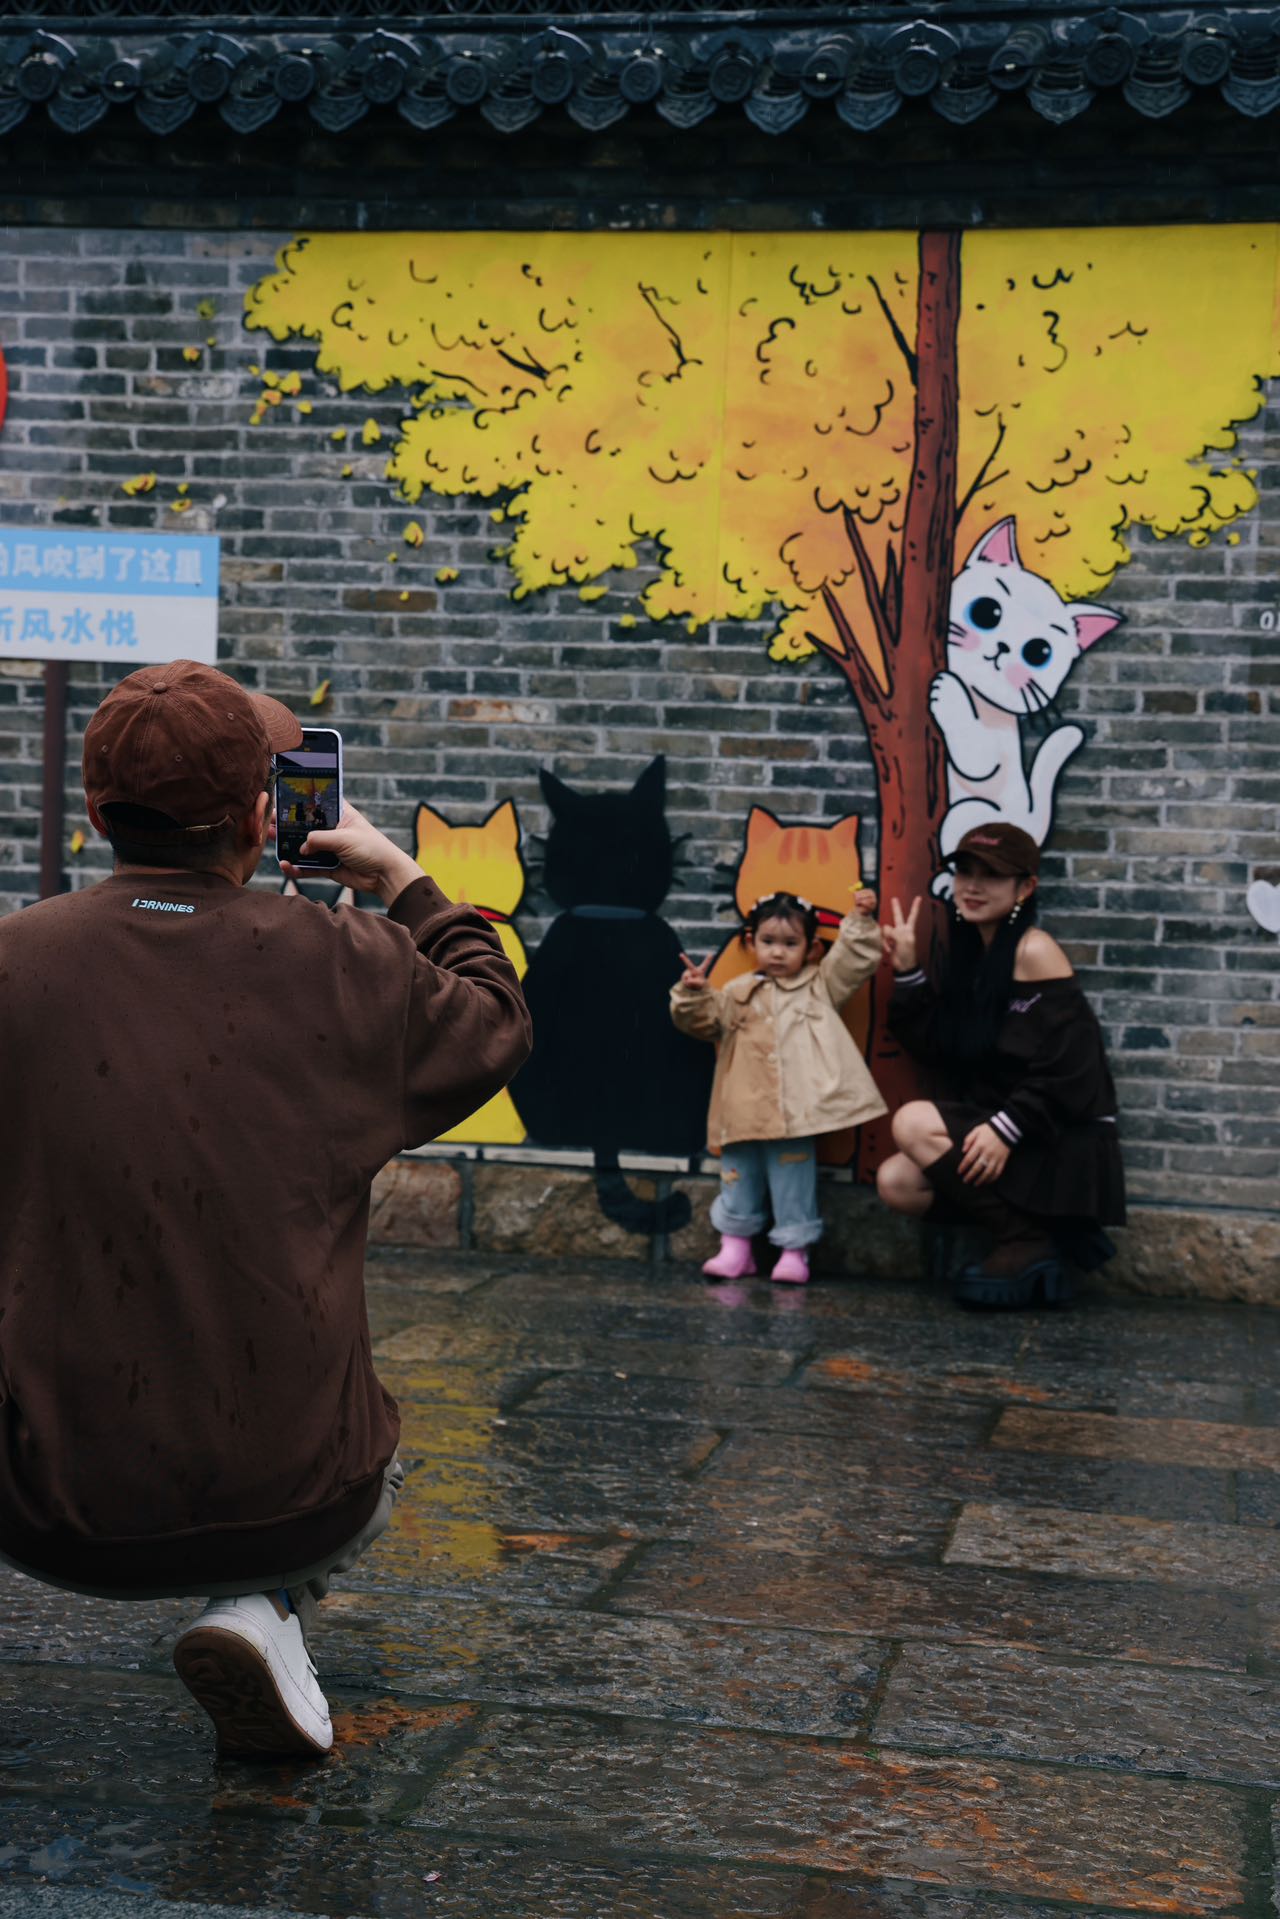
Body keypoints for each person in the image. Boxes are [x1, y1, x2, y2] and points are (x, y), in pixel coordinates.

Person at [0, 660, 531, 1758]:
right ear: (261, 814)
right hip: (291, 1504)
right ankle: (262, 1605)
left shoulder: (14, 958)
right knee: (357, 1423)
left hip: (39, 1510)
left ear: (97, 813)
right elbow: (497, 1017)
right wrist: (400, 876)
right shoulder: (347, 960)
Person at [876, 821, 1124, 1309]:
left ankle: (1025, 1241)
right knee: (897, 1183)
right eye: (965, 872)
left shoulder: (1034, 949)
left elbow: (1074, 1068)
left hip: (1059, 1139)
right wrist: (907, 971)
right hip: (1017, 1132)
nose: (972, 886)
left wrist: (1006, 1128)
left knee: (912, 1123)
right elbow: (941, 1046)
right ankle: (1033, 1235)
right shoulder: (976, 954)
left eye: (991, 875)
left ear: (1025, 888)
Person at [670, 889, 886, 1285]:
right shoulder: (736, 992)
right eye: (768, 941)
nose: (777, 952)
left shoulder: (819, 985)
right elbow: (701, 1022)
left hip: (794, 1115)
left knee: (793, 1183)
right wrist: (693, 993)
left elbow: (854, 961)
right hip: (742, 1111)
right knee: (737, 1178)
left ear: (811, 949)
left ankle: (794, 1250)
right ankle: (735, 1248)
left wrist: (859, 921)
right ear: (751, 942)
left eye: (790, 944)